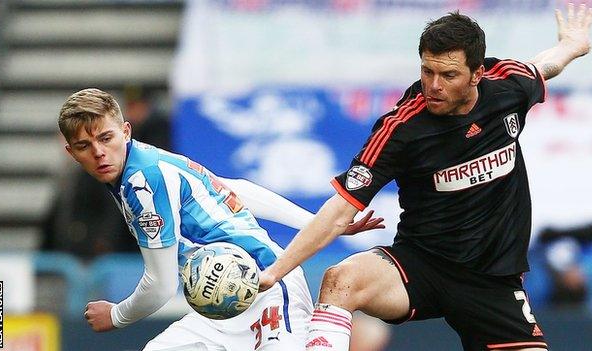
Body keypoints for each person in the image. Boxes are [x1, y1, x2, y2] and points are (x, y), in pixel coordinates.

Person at [259, 3, 592, 351]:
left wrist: (572, 46)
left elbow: (542, 66)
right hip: (421, 266)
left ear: (477, 73)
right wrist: (274, 271)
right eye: (427, 71)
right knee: (341, 279)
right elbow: (340, 209)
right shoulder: (402, 129)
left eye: (448, 75)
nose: (434, 85)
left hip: (492, 282)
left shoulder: (508, 88)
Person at [57, 88, 383, 351]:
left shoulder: (143, 181)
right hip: (220, 307)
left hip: (265, 286)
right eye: (85, 145)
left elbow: (161, 285)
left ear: (125, 131)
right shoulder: (148, 161)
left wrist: (115, 315)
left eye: (106, 138)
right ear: (72, 152)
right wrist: (315, 221)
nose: (99, 152)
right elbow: (237, 191)